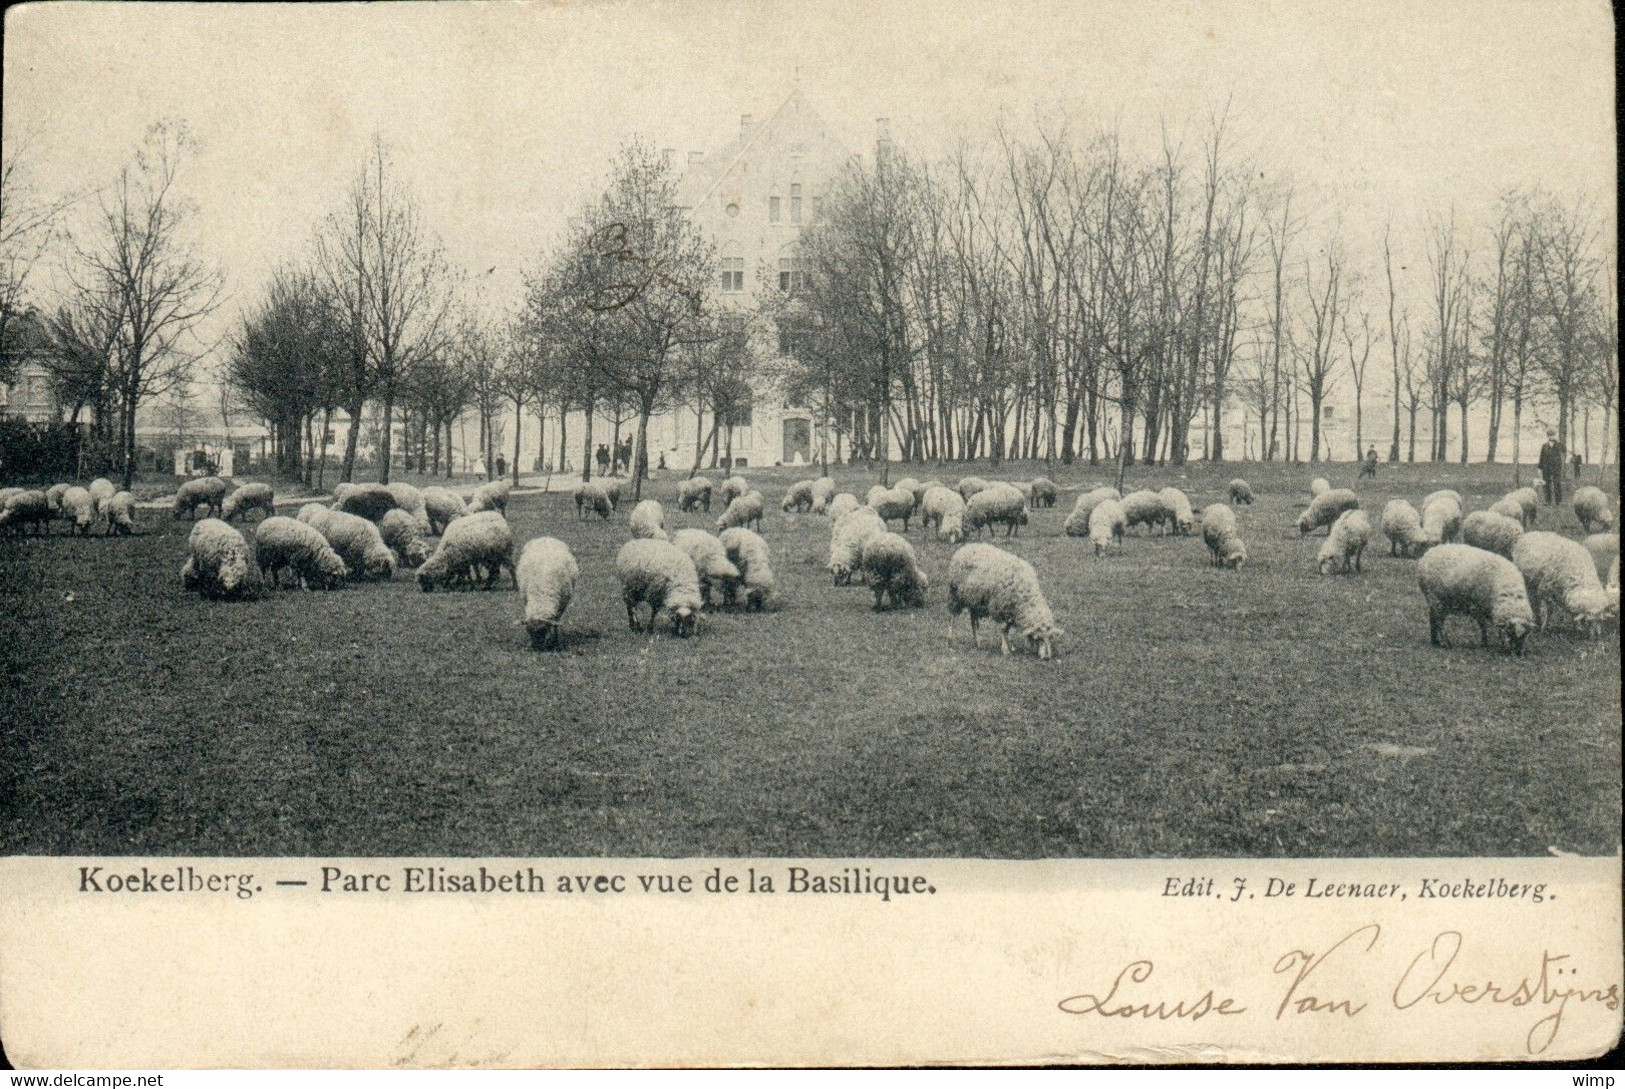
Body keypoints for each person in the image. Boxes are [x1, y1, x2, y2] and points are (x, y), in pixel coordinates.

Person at [1538, 428, 1566, 506]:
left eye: (1553, 435)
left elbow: (1564, 450)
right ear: (1547, 436)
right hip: (1546, 468)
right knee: (1546, 484)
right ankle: (1547, 501)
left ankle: (1559, 501)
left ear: (1555, 435)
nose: (1551, 437)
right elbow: (1541, 457)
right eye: (1550, 435)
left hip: (1556, 468)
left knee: (1557, 484)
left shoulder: (1559, 445)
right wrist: (1539, 468)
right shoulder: (1544, 446)